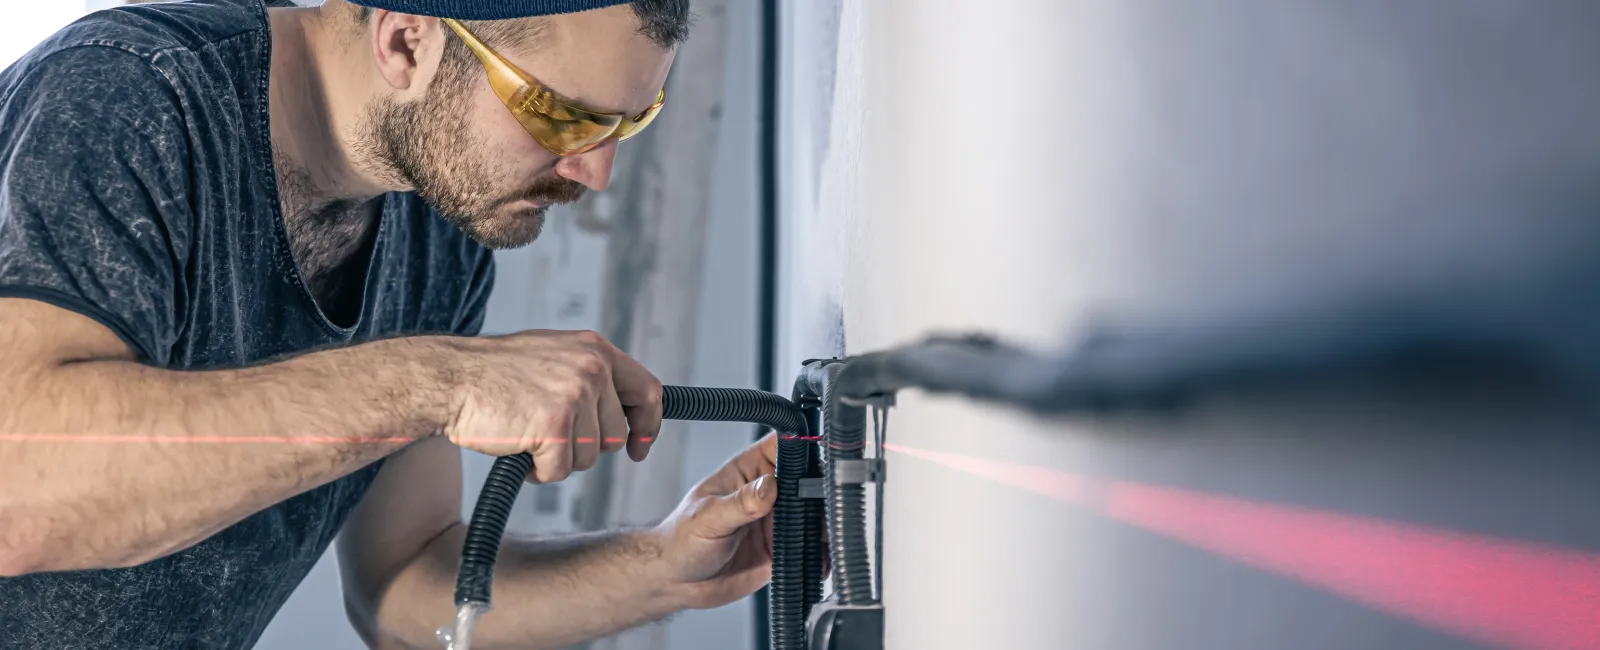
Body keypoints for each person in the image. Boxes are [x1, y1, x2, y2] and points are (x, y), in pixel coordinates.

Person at [0, 0, 779, 648]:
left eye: (625, 125)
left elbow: (404, 585)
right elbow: (20, 489)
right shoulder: (129, 98)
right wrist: (442, 380)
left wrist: (664, 564)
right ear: (406, 40)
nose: (596, 173)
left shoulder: (436, 233)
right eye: (561, 117)